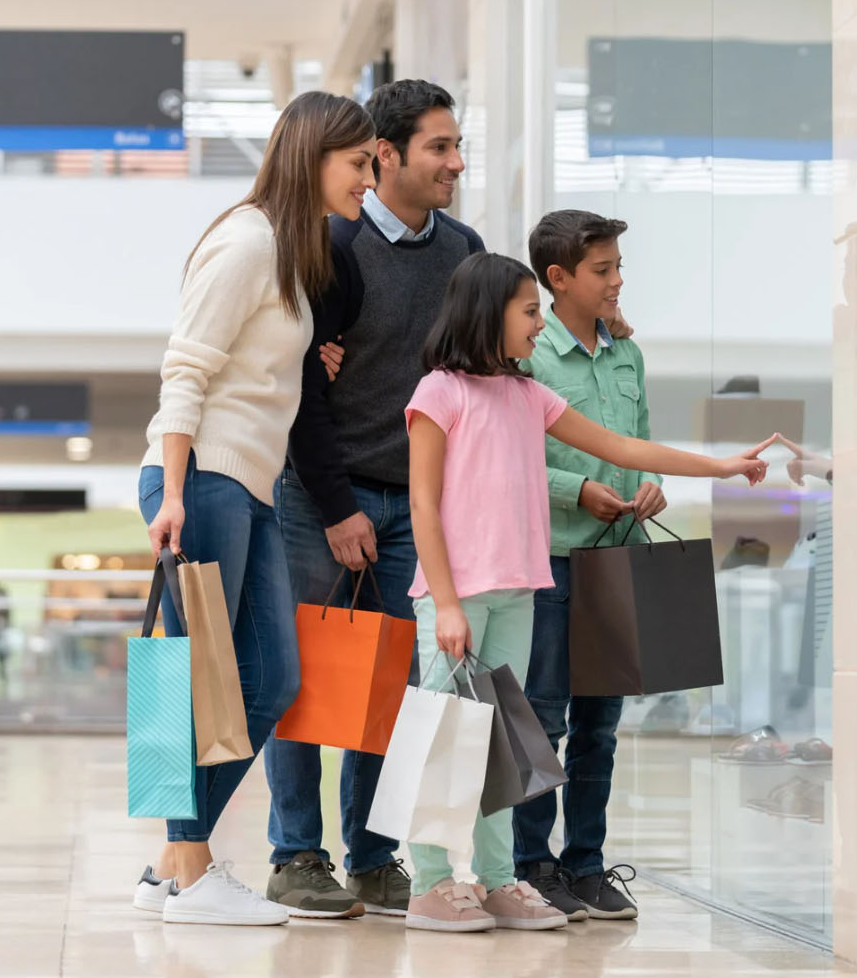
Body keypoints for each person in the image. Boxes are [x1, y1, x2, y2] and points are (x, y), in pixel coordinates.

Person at [264, 78, 636, 922]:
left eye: (456, 145)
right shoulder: (330, 244)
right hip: (330, 496)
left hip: (421, 507)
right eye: (439, 147)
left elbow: (482, 360)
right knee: (311, 680)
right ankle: (297, 854)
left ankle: (372, 860)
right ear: (385, 155)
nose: (456, 163)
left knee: (396, 693)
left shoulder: (461, 245)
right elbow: (301, 390)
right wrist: (333, 506)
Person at [402, 252, 772, 933]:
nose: (537, 323)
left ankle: (493, 880)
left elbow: (622, 449)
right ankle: (428, 883)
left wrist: (719, 464)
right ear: (488, 314)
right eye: (527, 311)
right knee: (443, 738)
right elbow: (422, 508)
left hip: (517, 591)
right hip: (456, 596)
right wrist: (446, 603)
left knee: (500, 747)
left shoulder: (526, 396)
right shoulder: (438, 393)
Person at [133, 91, 377, 927]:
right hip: (201, 479)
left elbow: (265, 368)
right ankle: (191, 874)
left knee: (272, 680)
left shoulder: (291, 257)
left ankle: (172, 864)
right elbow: (185, 369)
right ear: (313, 157)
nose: (367, 183)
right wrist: (170, 491)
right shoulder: (246, 240)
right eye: (358, 165)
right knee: (196, 685)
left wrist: (318, 353)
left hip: (250, 487)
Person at [511, 209, 661, 921]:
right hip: (549, 563)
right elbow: (505, 460)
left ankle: (587, 865)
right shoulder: (526, 355)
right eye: (602, 270)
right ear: (558, 278)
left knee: (599, 727)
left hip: (618, 567)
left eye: (616, 267)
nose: (616, 281)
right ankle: (529, 867)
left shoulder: (627, 355)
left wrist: (649, 487)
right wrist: (576, 490)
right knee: (540, 721)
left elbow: (642, 443)